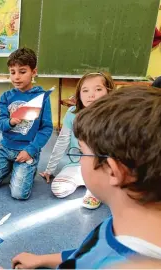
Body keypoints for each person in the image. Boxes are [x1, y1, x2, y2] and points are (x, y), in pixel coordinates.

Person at [11, 86, 161, 268]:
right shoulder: (160, 224)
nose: (80, 158)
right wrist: (43, 259)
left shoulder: (115, 262)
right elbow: (89, 252)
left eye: (82, 152)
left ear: (112, 170)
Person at [0, 47, 53, 200]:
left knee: (19, 194)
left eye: (22, 71)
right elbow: (0, 123)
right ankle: (10, 166)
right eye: (12, 72)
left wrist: (31, 150)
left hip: (27, 150)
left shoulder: (42, 97)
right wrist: (10, 122)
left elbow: (46, 128)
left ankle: (27, 168)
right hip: (5, 149)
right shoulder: (6, 96)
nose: (16, 77)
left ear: (33, 72)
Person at [40, 72, 115, 209]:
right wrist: (49, 169)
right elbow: (62, 141)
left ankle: (94, 187)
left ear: (109, 92)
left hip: (102, 167)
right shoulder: (72, 113)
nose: (91, 95)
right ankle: (86, 181)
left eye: (98, 89)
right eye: (85, 90)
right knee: (58, 189)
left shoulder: (113, 116)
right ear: (79, 94)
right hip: (76, 165)